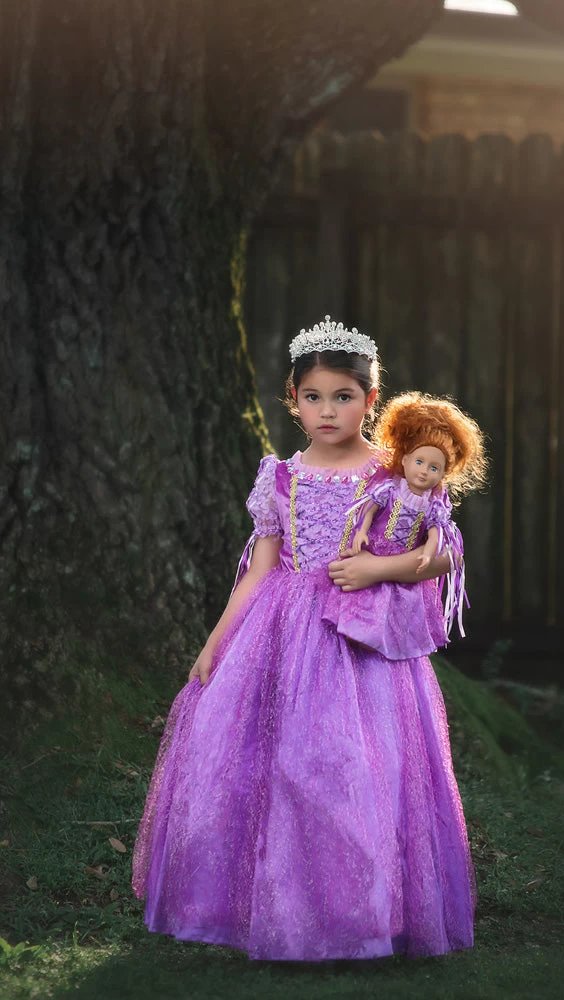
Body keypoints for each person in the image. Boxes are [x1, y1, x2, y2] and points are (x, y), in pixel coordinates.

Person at [132, 316, 477, 961]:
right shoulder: (281, 477)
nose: (327, 411)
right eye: (313, 397)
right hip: (282, 632)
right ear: (293, 399)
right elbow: (260, 567)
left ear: (371, 401)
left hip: (361, 640)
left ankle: (361, 913)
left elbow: (443, 553)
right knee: (276, 765)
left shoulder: (395, 474)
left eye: (343, 397)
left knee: (353, 767)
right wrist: (216, 641)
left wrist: (377, 568)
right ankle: (266, 905)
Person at [322, 392, 487, 661]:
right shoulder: (389, 486)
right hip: (373, 549)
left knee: (394, 601)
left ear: (443, 473)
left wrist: (427, 552)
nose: (423, 471)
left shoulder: (433, 502)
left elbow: (440, 538)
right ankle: (357, 629)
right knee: (365, 598)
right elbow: (369, 507)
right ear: (406, 459)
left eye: (434, 468)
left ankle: (384, 637)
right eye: (419, 462)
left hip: (397, 559)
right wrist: (361, 531)